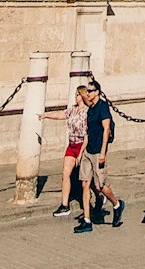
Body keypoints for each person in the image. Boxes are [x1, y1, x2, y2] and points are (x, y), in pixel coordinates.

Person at [77, 84, 125, 235]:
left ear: (97, 92)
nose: (88, 93)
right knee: (85, 184)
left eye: (90, 91)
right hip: (88, 151)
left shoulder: (103, 107)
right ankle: (87, 220)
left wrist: (103, 152)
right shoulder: (90, 109)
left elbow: (106, 130)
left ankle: (117, 204)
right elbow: (88, 132)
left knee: (100, 186)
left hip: (98, 151)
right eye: (87, 91)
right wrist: (82, 151)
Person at [53, 84, 89, 217]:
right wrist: (45, 115)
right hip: (71, 144)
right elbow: (60, 115)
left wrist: (81, 154)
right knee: (65, 174)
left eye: (78, 95)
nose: (76, 97)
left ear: (83, 95)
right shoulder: (72, 110)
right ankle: (64, 205)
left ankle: (98, 197)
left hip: (81, 145)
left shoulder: (87, 112)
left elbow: (86, 134)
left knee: (87, 178)